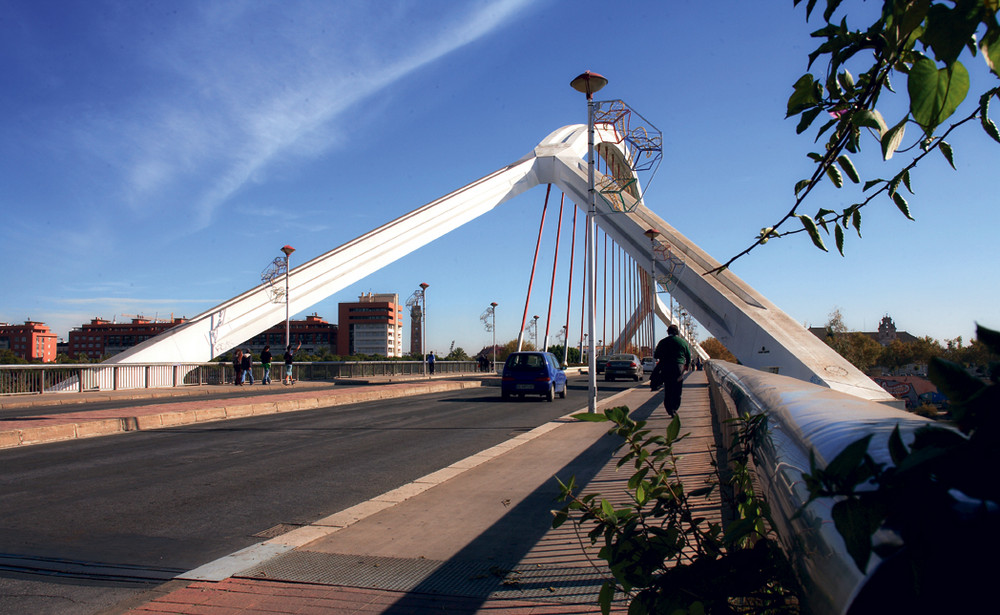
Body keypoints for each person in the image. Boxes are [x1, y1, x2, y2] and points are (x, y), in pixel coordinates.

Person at [653, 324, 691, 417]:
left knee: (668, 388)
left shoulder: (663, 342)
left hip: (666, 367)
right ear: (677, 332)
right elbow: (688, 356)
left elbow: (656, 355)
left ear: (668, 332)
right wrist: (686, 365)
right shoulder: (682, 342)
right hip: (679, 368)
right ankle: (675, 407)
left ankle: (669, 409)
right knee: (677, 389)